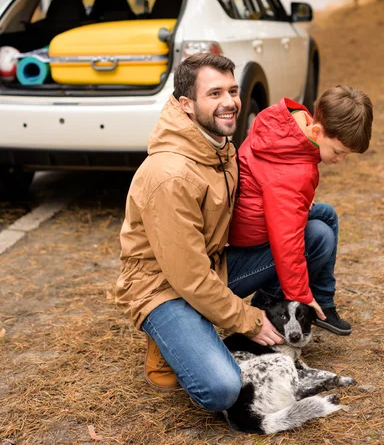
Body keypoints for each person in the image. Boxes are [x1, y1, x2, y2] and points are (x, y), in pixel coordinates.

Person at [115, 52, 285, 413]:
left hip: (211, 267)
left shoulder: (220, 148)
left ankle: (218, 331)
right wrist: (248, 320)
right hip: (163, 288)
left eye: (233, 91)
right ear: (186, 105)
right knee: (223, 389)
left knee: (311, 234)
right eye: (215, 94)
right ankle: (170, 339)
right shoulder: (170, 174)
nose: (230, 103)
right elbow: (187, 277)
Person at [228, 86, 373, 336]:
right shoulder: (296, 172)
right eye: (338, 152)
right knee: (318, 237)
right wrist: (300, 295)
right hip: (247, 249)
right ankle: (271, 306)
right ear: (316, 131)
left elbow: (270, 185)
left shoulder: (285, 126)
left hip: (251, 228)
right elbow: (286, 242)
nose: (340, 160)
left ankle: (325, 302)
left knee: (326, 213)